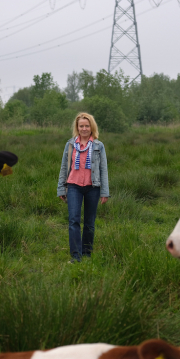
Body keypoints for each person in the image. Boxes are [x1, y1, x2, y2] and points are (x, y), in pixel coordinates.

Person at [57, 112, 109, 263]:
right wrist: (61, 188)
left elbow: (103, 169)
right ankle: (76, 256)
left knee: (89, 222)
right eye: (81, 126)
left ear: (91, 127)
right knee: (73, 220)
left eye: (87, 126)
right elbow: (64, 167)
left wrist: (104, 192)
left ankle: (86, 252)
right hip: (73, 186)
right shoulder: (70, 144)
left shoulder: (99, 146)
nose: (84, 128)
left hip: (93, 187)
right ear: (77, 127)